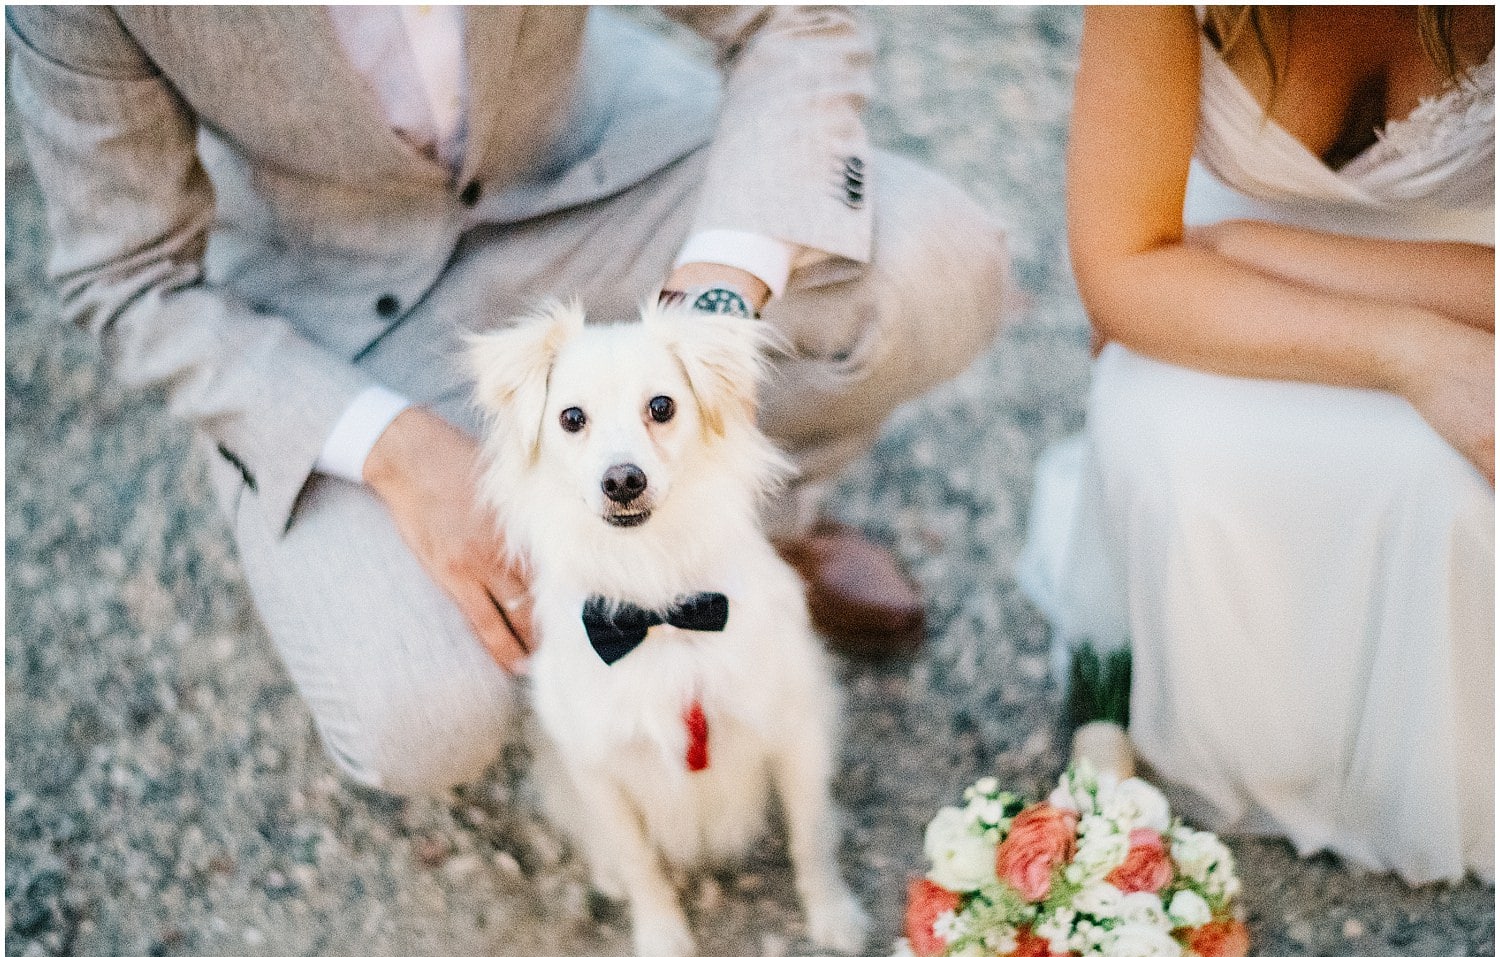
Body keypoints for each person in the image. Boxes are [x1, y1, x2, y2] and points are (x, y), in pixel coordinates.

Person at [10, 7, 1008, 794]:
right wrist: (391, 446)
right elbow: (130, 275)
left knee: (936, 266)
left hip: (593, 170)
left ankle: (756, 536)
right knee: (418, 722)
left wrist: (712, 306)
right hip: (335, 296)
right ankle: (575, 641)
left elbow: (789, 18)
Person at [1018, 5, 1493, 884]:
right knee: (1170, 426)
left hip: (1465, 258)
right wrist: (1416, 354)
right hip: (1218, 260)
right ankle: (1224, 740)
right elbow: (1122, 270)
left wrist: (1241, 247)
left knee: (1454, 475)